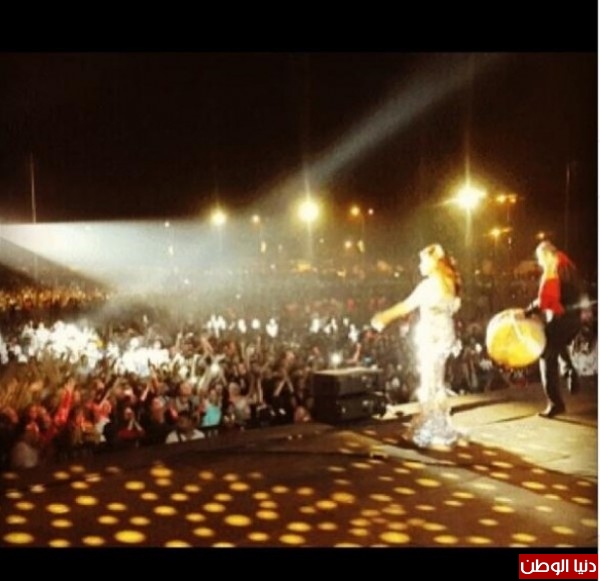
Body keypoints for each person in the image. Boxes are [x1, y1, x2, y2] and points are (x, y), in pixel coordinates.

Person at [371, 243, 464, 447]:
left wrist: (383, 317)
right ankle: (438, 423)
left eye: (423, 261)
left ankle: (428, 428)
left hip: (431, 336)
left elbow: (406, 306)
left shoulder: (429, 285)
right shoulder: (450, 283)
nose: (420, 265)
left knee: (429, 380)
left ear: (434, 262)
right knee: (437, 380)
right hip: (445, 334)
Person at [524, 241, 583, 418]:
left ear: (547, 254)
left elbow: (546, 300)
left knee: (546, 355)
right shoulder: (569, 265)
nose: (540, 262)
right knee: (556, 342)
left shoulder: (553, 268)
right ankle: (569, 369)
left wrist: (529, 309)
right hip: (575, 318)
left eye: (540, 258)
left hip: (561, 318)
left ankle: (555, 404)